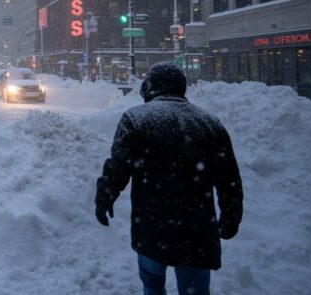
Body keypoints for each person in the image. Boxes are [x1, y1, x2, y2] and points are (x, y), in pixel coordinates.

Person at [95, 62, 243, 295]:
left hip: (152, 226)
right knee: (194, 289)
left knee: (152, 283)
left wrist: (104, 197)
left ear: (149, 87)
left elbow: (118, 166)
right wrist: (231, 217)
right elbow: (229, 179)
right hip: (197, 231)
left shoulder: (136, 119)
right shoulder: (210, 123)